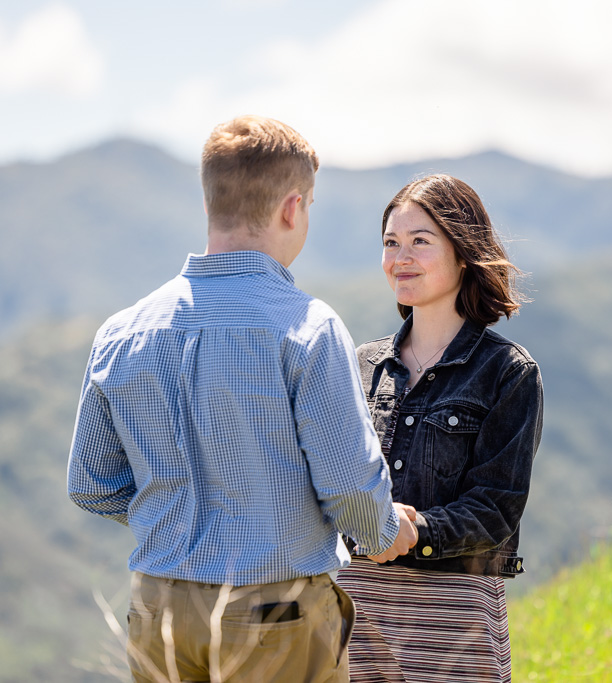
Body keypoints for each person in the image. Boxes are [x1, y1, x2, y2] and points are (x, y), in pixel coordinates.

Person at [66, 115, 418, 683]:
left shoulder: (122, 331)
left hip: (157, 606)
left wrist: (175, 517)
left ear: (211, 204)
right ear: (291, 208)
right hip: (273, 612)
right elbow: (350, 488)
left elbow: (91, 483)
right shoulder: (306, 327)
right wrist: (384, 531)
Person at [336, 174, 544, 682]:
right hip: (355, 616)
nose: (400, 257)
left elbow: (496, 507)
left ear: (464, 252)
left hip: (454, 623)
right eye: (391, 243)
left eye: (420, 242)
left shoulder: (507, 373)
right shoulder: (361, 365)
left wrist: (414, 532)